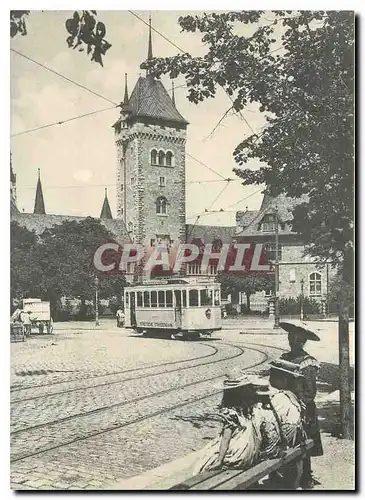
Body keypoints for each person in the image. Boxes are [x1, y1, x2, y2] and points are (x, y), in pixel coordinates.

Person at [269, 321, 323, 489]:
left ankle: (306, 476)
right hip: (283, 405)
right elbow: (274, 382)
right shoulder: (283, 359)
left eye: (297, 338)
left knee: (303, 441)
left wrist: (297, 404)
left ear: (303, 341)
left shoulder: (308, 363)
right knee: (280, 438)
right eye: (290, 337)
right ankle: (279, 471)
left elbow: (309, 392)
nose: (292, 341)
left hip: (302, 408)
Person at [193, 371, 262, 473]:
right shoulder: (249, 408)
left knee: (202, 464)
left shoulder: (231, 413)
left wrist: (219, 460)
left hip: (238, 456)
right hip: (250, 453)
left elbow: (226, 438)